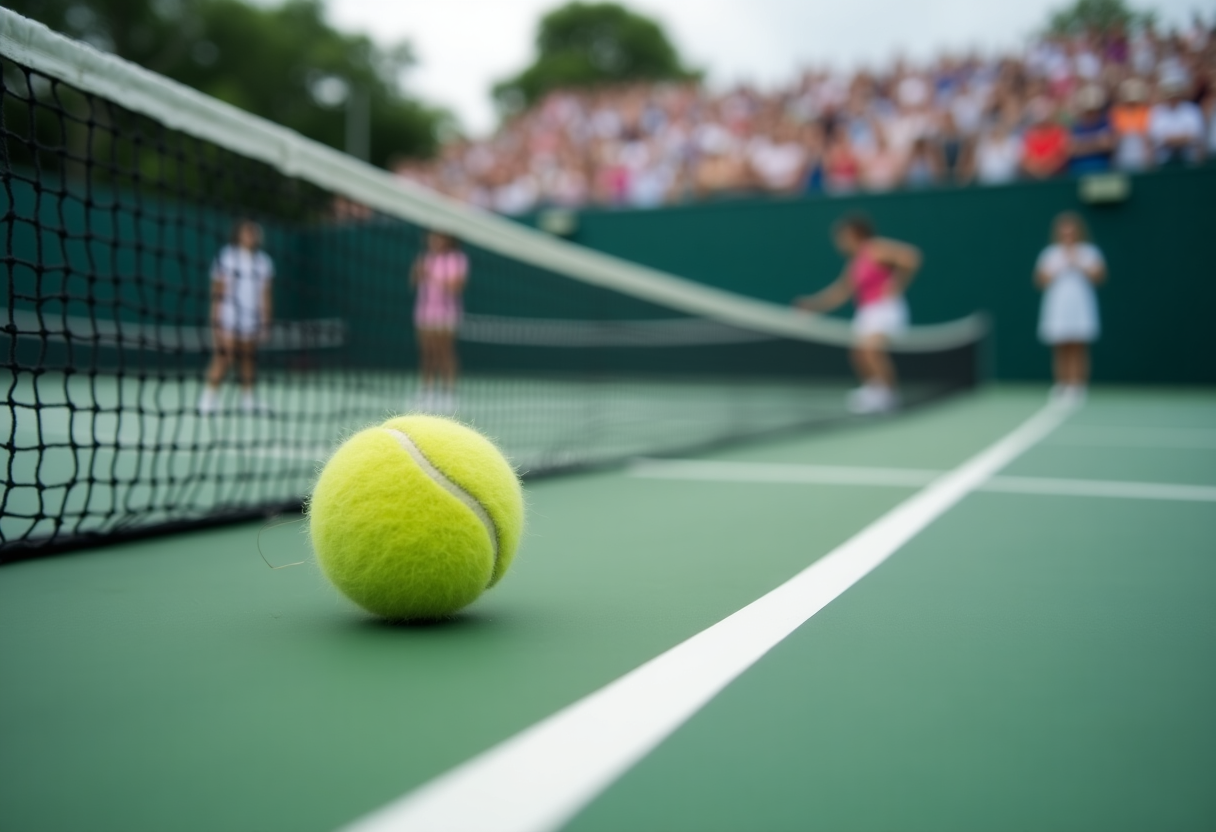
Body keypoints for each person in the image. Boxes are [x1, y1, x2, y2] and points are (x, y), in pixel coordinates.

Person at [794, 214, 922, 414]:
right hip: (867, 311)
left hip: (885, 309)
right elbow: (841, 291)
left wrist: (896, 285)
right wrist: (814, 305)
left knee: (871, 350)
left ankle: (890, 396)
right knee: (858, 354)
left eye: (843, 236)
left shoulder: (875, 248)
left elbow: (910, 257)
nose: (840, 241)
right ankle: (875, 393)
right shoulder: (855, 263)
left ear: (855, 234)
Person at [198, 219, 273, 415]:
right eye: (247, 232)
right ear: (239, 234)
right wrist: (215, 319)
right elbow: (217, 292)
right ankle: (208, 399)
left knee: (248, 358)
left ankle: (248, 400)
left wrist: (265, 322)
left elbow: (265, 295)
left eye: (254, 232)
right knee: (225, 356)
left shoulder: (263, 262)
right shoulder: (227, 257)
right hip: (229, 317)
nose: (251, 236)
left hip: (252, 319)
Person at [1035, 212, 1106, 402]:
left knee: (1078, 346)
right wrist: (1058, 267)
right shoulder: (1050, 254)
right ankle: (1062, 384)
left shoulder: (1089, 252)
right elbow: (1040, 280)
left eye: (1071, 232)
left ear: (1078, 232)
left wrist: (1077, 262)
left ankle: (1078, 385)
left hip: (1080, 306)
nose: (1068, 237)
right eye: (1064, 233)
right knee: (1060, 346)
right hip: (1058, 306)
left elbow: (1099, 276)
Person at [411, 231, 468, 412]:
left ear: (447, 239)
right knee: (427, 353)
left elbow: (456, 287)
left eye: (439, 236)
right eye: (432, 236)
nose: (434, 240)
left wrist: (431, 275)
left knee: (445, 353)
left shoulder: (457, 259)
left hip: (447, 315)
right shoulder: (426, 258)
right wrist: (417, 271)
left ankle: (448, 394)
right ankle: (427, 392)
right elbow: (413, 283)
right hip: (424, 314)